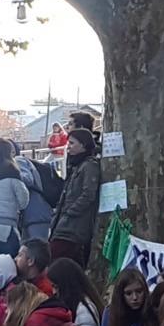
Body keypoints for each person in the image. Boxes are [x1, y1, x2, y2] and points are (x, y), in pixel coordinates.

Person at [47, 111, 105, 262]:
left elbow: (88, 193)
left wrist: (70, 211)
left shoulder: (89, 163)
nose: (68, 147)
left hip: (73, 226)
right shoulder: (76, 163)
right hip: (65, 222)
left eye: (71, 124)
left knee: (56, 258)